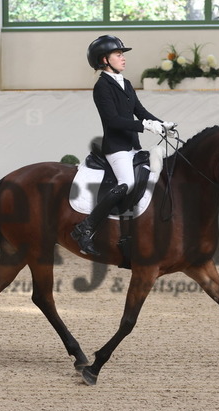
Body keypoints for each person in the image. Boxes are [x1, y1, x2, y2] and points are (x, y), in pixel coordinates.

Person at [71, 35, 176, 256]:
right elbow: (113, 121)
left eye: (122, 55)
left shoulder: (125, 83)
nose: (123, 58)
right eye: (118, 55)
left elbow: (141, 111)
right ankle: (86, 228)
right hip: (116, 147)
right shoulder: (102, 86)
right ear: (105, 60)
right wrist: (145, 126)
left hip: (132, 146)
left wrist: (161, 124)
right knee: (127, 182)